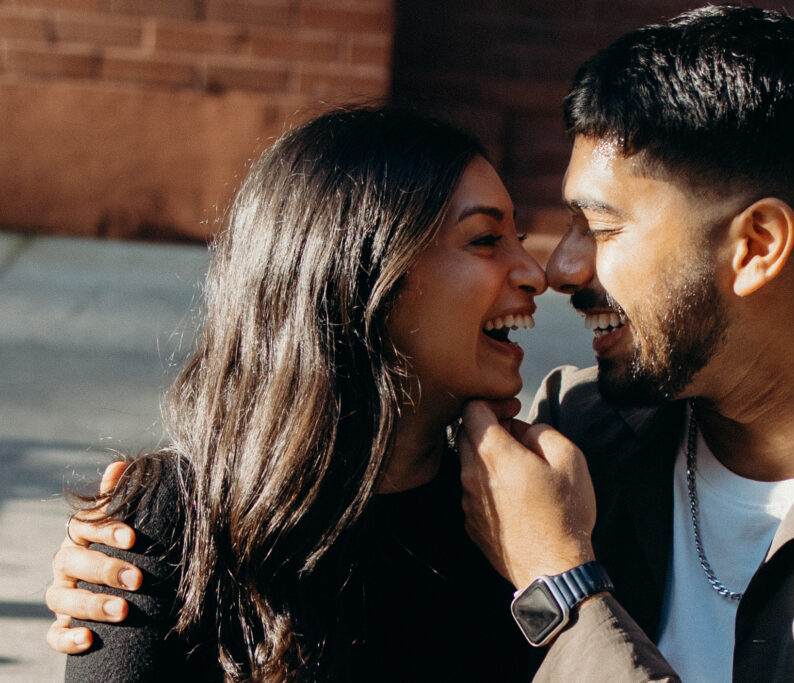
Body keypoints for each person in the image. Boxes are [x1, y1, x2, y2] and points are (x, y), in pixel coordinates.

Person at [48, 6, 794, 681]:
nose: (555, 268)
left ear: (755, 245)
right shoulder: (558, 437)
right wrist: (157, 538)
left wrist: (560, 578)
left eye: (598, 227)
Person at [48, 105, 545, 681]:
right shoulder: (176, 524)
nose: (535, 272)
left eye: (519, 239)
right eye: (486, 239)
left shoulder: (517, 514)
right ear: (358, 272)